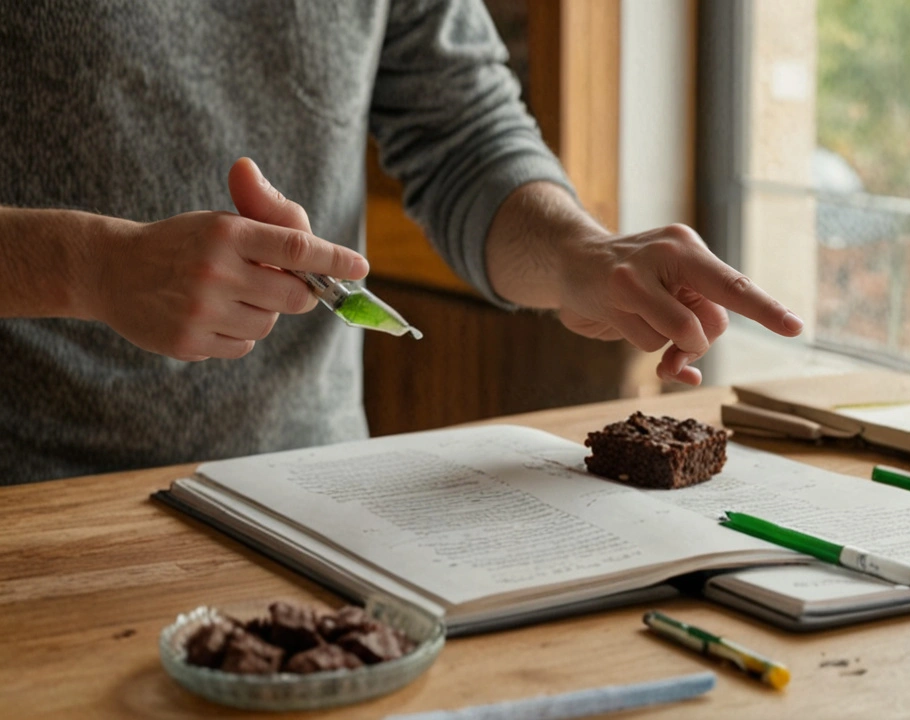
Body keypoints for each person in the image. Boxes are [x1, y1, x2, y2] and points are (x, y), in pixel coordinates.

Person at [0, 0, 802, 485]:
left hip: (309, 488)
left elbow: (464, 132)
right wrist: (88, 268)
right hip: (26, 499)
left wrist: (578, 256)